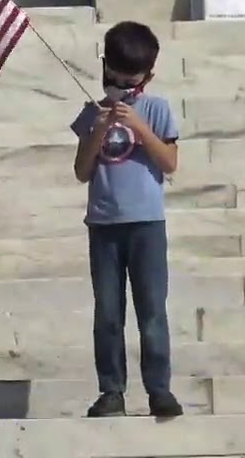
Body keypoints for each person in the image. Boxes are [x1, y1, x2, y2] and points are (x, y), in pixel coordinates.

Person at [71, 21, 183, 419]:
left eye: (128, 80)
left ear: (146, 77)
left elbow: (169, 162)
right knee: (108, 312)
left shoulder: (157, 108)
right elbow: (82, 171)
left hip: (146, 223)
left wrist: (140, 128)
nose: (119, 85)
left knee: (152, 309)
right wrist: (98, 131)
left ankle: (159, 388)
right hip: (103, 225)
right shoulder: (91, 112)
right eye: (113, 76)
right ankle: (111, 389)